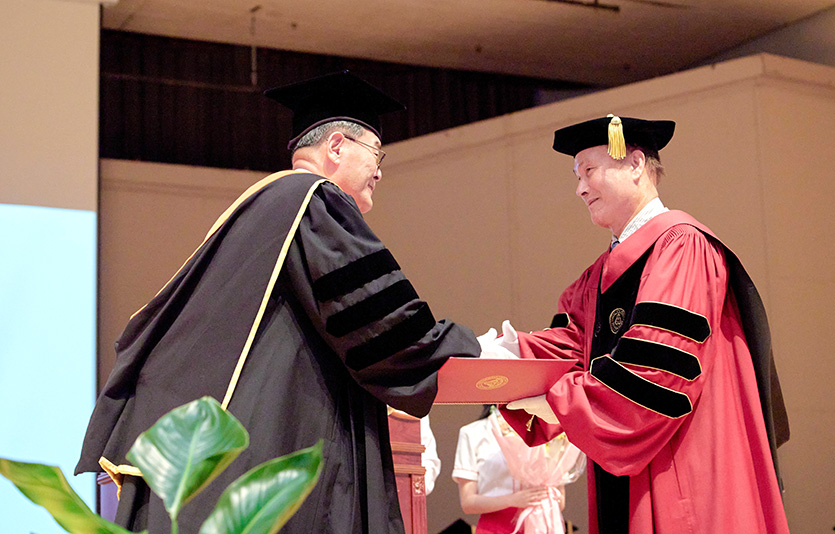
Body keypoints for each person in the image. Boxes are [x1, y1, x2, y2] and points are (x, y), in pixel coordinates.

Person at [74, 70, 481, 534]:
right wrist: (472, 348)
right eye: (375, 153)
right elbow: (380, 326)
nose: (380, 170)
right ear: (336, 147)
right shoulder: (313, 200)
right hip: (275, 441)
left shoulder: (260, 208)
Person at [494, 115, 791, 533]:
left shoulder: (683, 246)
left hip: (684, 465)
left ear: (635, 164)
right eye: (576, 176)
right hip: (630, 473)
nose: (580, 188)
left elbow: (655, 372)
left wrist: (561, 401)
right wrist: (500, 356)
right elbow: (570, 344)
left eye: (589, 171)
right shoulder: (600, 276)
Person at [452, 405, 585, 533]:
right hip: (494, 528)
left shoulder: (545, 427)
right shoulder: (473, 433)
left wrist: (544, 497)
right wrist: (513, 500)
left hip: (542, 524)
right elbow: (468, 502)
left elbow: (560, 501)